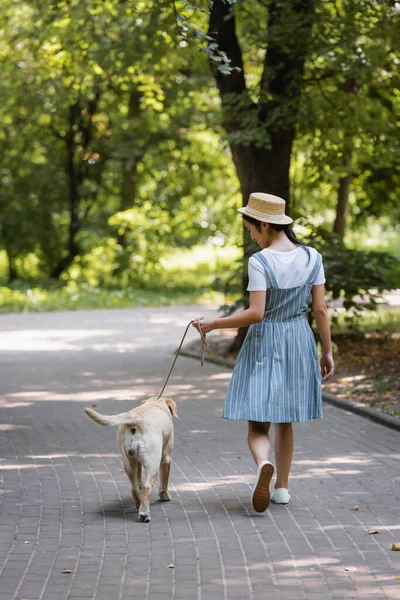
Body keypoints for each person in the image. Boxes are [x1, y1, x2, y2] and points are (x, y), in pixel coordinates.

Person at [192, 192, 334, 513]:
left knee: (258, 421)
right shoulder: (312, 257)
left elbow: (257, 313)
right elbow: (321, 310)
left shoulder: (261, 261)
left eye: (252, 230)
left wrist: (214, 324)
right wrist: (327, 352)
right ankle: (282, 488)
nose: (252, 237)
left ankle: (262, 465)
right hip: (299, 338)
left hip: (266, 340)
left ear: (266, 225)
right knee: (286, 419)